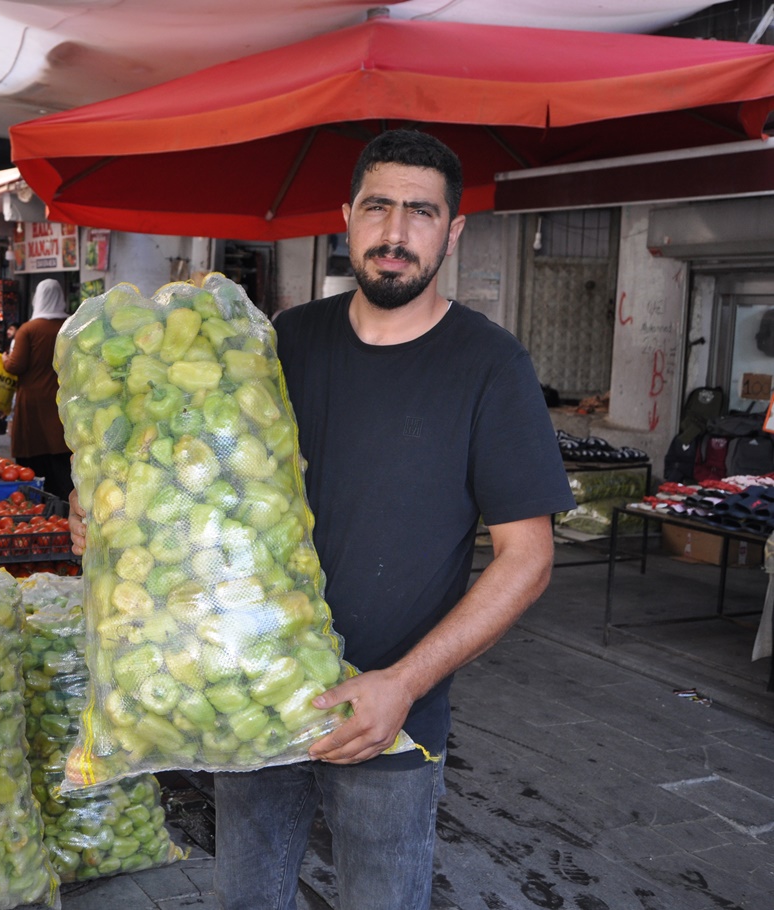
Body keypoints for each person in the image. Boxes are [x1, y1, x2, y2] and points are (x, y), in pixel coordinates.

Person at [67, 130, 574, 910]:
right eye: (378, 207)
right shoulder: (280, 341)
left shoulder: (490, 366)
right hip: (250, 695)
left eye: (421, 212)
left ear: (453, 230)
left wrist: (401, 685)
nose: (396, 233)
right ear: (347, 218)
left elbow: (526, 558)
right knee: (246, 897)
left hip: (389, 713)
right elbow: (184, 471)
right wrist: (111, 513)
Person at [4, 278, 74, 499]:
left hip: (32, 403)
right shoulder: (71, 325)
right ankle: (63, 507)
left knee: (33, 459)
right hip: (64, 400)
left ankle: (36, 504)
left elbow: (16, 365)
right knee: (62, 456)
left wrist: (5, 359)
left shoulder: (29, 329)